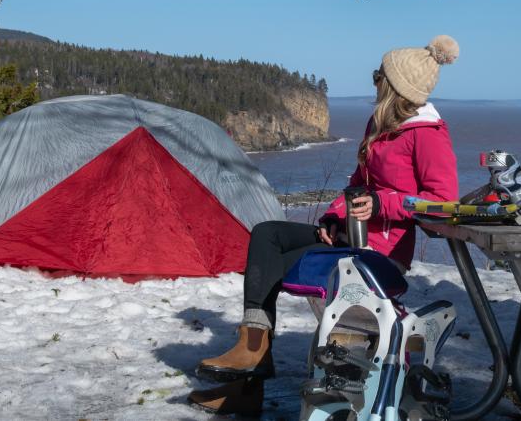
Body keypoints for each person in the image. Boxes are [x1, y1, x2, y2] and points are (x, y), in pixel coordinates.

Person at [189, 35, 461, 416]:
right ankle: (252, 350)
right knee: (268, 234)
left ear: (394, 85)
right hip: (350, 238)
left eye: (378, 75)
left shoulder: (427, 134)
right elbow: (356, 183)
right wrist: (334, 216)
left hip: (381, 254)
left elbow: (443, 203)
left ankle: (248, 385)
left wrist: (385, 203)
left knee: (276, 269)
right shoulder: (380, 124)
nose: (374, 80)